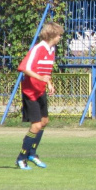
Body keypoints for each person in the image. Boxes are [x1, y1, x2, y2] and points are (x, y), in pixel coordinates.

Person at [15, 22, 64, 170]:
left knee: (44, 121)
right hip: (30, 92)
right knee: (36, 125)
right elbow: (23, 68)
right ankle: (21, 157)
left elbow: (45, 70)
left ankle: (32, 154)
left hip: (40, 91)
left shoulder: (52, 49)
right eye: (59, 35)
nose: (60, 38)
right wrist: (40, 78)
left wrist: (49, 82)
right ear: (52, 35)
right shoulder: (38, 48)